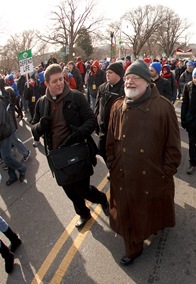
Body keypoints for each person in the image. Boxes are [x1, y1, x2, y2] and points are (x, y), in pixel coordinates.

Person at [106, 60, 181, 266]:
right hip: (123, 174)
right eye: (128, 78)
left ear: (147, 82)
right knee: (129, 214)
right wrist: (112, 162)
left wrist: (165, 173)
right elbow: (110, 139)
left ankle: (153, 226)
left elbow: (173, 148)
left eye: (136, 78)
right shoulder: (117, 106)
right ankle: (133, 248)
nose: (130, 82)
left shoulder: (163, 108)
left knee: (152, 210)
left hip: (152, 175)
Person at [32, 63, 109, 229]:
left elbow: (91, 120)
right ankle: (83, 213)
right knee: (70, 192)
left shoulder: (76, 97)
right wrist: (39, 126)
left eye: (61, 79)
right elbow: (34, 129)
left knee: (83, 190)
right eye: (55, 81)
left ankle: (102, 199)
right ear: (46, 84)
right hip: (58, 158)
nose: (60, 83)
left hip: (77, 152)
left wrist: (79, 133)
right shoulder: (41, 103)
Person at [95, 62, 125, 162]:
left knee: (117, 154)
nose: (107, 74)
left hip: (117, 130)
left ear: (118, 74)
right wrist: (96, 121)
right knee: (102, 151)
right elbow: (97, 106)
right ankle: (111, 168)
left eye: (110, 72)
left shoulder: (124, 89)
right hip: (103, 128)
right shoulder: (102, 88)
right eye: (107, 72)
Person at [0, 96, 27, 186]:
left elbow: (1, 120)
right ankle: (12, 176)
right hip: (3, 133)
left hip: (4, 133)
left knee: (6, 157)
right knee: (6, 156)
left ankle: (21, 168)